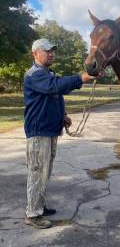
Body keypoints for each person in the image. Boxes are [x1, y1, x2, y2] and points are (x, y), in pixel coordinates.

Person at [23, 38, 94, 228]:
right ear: (35, 54)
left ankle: (38, 206)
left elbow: (56, 96)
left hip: (50, 131)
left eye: (52, 50)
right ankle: (33, 214)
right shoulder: (34, 75)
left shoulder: (48, 73)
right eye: (47, 50)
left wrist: (63, 115)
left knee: (45, 172)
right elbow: (55, 85)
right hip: (39, 133)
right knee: (37, 173)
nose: (51, 53)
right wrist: (81, 78)